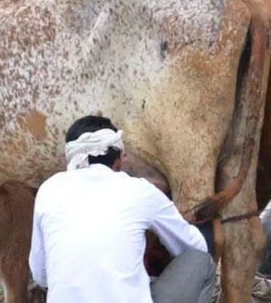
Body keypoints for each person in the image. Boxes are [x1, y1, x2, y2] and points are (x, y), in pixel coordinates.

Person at [29, 115, 216, 303]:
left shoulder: (49, 190)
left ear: (71, 157)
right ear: (119, 159)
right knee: (201, 261)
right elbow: (194, 247)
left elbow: (40, 275)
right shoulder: (140, 190)